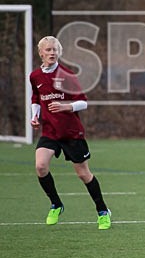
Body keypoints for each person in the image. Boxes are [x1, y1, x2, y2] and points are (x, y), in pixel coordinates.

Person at [30, 36, 111, 229]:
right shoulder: (35, 76)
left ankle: (102, 211)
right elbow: (36, 97)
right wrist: (35, 116)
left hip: (71, 132)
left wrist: (66, 107)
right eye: (48, 50)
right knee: (41, 166)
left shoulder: (67, 75)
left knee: (83, 174)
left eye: (55, 50)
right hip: (50, 132)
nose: (52, 53)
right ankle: (56, 204)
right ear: (41, 53)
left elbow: (83, 102)